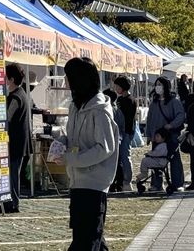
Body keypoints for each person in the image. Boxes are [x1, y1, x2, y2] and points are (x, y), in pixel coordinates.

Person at [56, 57, 119, 251]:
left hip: (94, 182)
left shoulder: (99, 111)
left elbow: (105, 148)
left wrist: (72, 158)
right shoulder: (75, 106)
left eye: (68, 77)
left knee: (87, 239)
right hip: (77, 180)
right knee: (91, 238)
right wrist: (61, 141)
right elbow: (74, 137)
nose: (65, 81)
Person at [0, 63, 32, 213]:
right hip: (20, 142)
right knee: (13, 174)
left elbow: (7, 116)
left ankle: (12, 204)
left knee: (12, 174)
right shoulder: (22, 94)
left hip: (15, 142)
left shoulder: (15, 97)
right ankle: (10, 202)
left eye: (6, 77)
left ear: (11, 79)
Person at [144, 77, 185, 192]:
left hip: (171, 135)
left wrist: (171, 125)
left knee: (174, 159)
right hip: (157, 137)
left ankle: (177, 183)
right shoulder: (154, 102)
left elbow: (181, 115)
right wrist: (149, 134)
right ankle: (156, 184)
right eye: (156, 84)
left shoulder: (174, 101)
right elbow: (150, 119)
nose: (158, 86)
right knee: (156, 159)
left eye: (160, 84)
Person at [114, 75, 137, 191]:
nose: (115, 88)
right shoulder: (119, 100)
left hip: (126, 132)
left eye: (117, 86)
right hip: (120, 132)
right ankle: (122, 181)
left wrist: (125, 133)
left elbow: (128, 119)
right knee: (121, 157)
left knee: (125, 157)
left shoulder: (130, 100)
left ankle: (127, 181)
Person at [104, 88, 125, 193]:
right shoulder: (118, 109)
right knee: (118, 162)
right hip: (118, 138)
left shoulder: (109, 110)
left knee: (111, 163)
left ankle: (112, 184)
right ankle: (119, 184)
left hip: (111, 139)